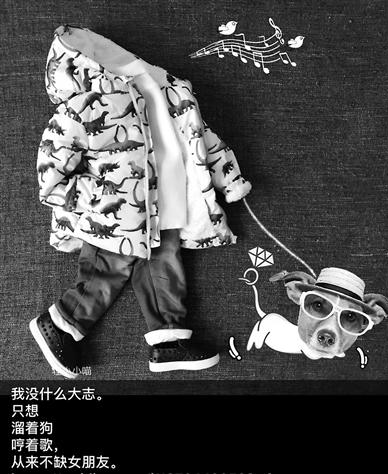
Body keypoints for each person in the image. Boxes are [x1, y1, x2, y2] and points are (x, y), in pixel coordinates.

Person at [31, 25, 252, 378]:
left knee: (165, 269)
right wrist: (87, 197)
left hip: (169, 201)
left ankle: (169, 341)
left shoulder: (170, 90)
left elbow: (202, 138)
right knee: (107, 269)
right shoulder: (83, 105)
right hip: (116, 213)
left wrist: (230, 178)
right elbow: (53, 162)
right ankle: (60, 324)